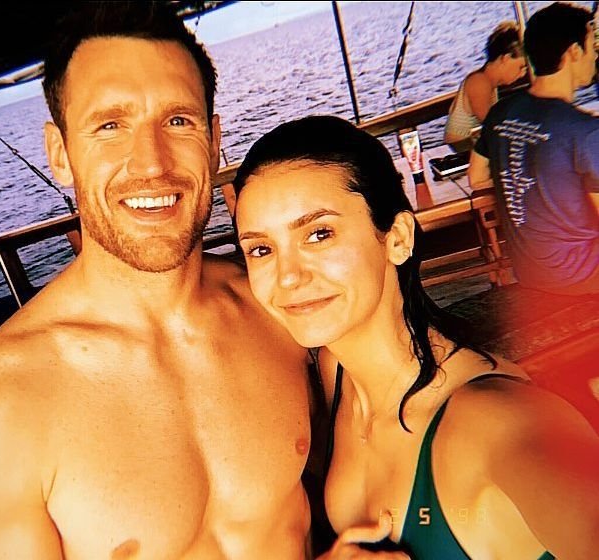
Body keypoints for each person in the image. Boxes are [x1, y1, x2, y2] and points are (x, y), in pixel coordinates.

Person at [0, 3, 315, 558]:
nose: (152, 163)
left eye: (178, 121)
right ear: (60, 155)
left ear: (213, 140)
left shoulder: (277, 308)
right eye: (110, 126)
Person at [233, 114, 599, 559]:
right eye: (261, 249)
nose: (288, 276)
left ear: (397, 238)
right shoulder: (337, 373)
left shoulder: (506, 425)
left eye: (319, 233)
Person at [468, 2, 599, 295]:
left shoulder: (501, 112)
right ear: (574, 52)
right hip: (583, 276)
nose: (595, 55)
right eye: (592, 46)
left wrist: (536, 182)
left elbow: (476, 177)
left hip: (529, 272)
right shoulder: (584, 131)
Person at [443, 21, 527, 152]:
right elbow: (493, 123)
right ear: (505, 59)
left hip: (471, 146)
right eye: (521, 67)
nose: (523, 74)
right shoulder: (479, 82)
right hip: (461, 150)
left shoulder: (490, 82)